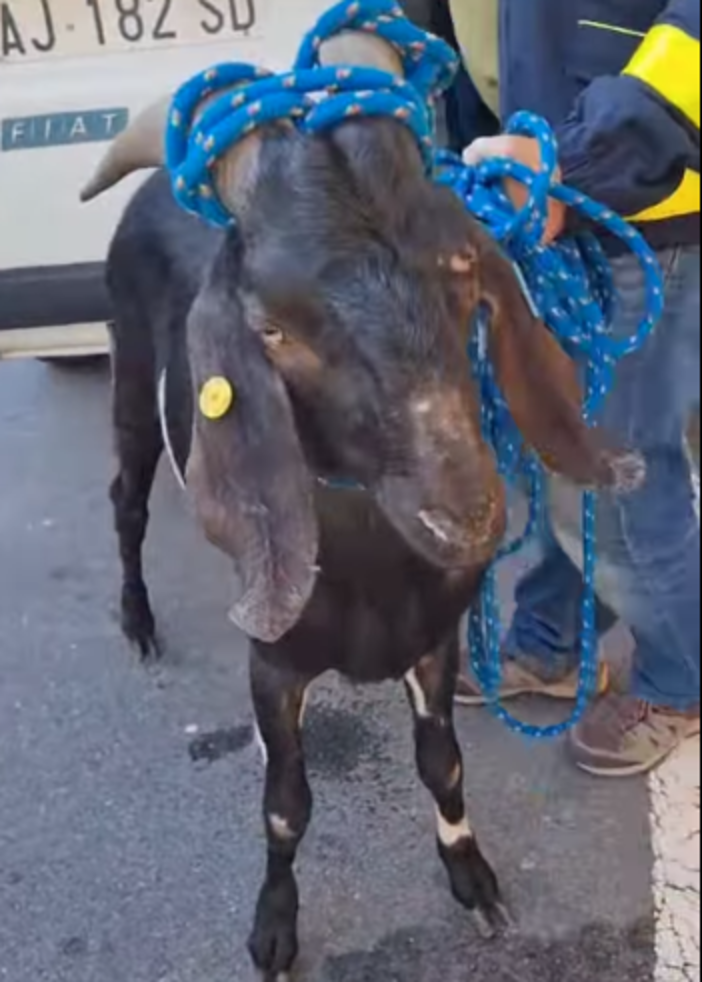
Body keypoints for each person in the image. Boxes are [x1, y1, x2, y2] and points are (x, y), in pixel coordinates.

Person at [434, 0, 701, 777]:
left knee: (619, 470)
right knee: (560, 436)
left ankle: (681, 681)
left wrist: (584, 159)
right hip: (554, 190)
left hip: (637, 198)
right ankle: (551, 639)